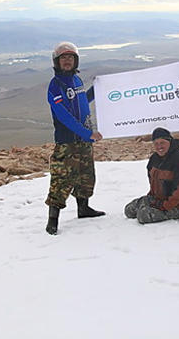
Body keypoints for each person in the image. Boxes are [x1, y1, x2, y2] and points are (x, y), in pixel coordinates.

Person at [45, 41, 105, 235]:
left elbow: (82, 101)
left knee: (86, 175)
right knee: (61, 179)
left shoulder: (77, 81)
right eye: (63, 58)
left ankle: (83, 208)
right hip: (67, 141)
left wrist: (95, 90)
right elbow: (64, 116)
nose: (68, 61)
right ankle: (52, 220)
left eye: (71, 57)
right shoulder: (55, 86)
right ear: (57, 61)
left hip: (84, 141)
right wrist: (87, 133)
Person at [124, 127, 179, 224]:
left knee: (143, 216)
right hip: (159, 199)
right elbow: (153, 182)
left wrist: (164, 206)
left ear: (169, 141)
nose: (159, 147)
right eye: (156, 143)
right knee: (129, 210)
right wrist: (152, 200)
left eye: (162, 143)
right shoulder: (155, 158)